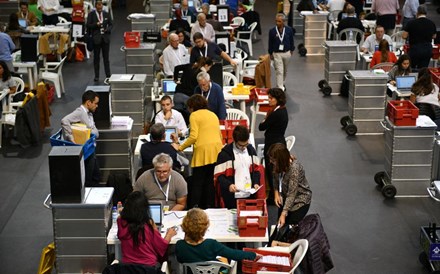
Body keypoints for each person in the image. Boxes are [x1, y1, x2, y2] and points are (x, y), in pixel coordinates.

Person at [171, 95, 223, 209]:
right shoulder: (213, 114)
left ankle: (195, 206)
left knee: (197, 182)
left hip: (203, 151)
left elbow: (194, 136)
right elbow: (219, 134)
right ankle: (209, 206)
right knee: (210, 181)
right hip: (216, 150)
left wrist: (180, 147)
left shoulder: (194, 115)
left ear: (192, 107)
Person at [117, 191, 177, 268]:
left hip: (128, 268)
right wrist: (169, 234)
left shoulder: (121, 222)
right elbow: (161, 246)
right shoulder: (148, 224)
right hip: (148, 268)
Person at [176, 208, 257, 263]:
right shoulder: (211, 244)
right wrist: (253, 255)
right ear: (205, 227)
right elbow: (234, 254)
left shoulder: (180, 245)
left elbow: (180, 260)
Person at [214, 125, 264, 209]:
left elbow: (256, 170)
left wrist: (255, 182)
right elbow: (219, 176)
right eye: (241, 145)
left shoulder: (251, 150)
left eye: (246, 144)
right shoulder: (224, 155)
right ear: (234, 141)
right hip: (231, 198)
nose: (244, 148)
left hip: (249, 194)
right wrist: (229, 185)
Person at [268, 143, 312, 226]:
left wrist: (283, 213)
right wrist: (276, 193)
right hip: (285, 197)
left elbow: (292, 194)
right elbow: (275, 177)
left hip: (300, 201)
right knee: (279, 225)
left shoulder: (294, 169)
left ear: (281, 160)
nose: (271, 162)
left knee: (288, 228)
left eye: (273, 160)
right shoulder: (278, 164)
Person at [259, 88, 288, 203]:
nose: (268, 100)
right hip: (277, 141)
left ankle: (272, 196)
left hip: (273, 145)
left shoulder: (276, 113)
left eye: (271, 98)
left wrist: (264, 120)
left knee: (272, 171)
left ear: (278, 99)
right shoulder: (281, 110)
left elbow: (262, 127)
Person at [402, 5, 437, 70]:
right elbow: (434, 36)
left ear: (417, 13)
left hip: (415, 49)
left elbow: (404, 36)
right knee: (423, 70)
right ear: (426, 13)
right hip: (427, 50)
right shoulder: (431, 23)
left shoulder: (411, 23)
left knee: (410, 69)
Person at [87, 0, 113, 82]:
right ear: (95, 6)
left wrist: (108, 29)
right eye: (98, 5)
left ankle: (108, 75)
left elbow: (111, 24)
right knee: (96, 58)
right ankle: (97, 76)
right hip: (96, 38)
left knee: (106, 58)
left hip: (105, 38)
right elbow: (88, 25)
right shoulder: (91, 14)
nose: (100, 6)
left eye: (101, 4)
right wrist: (96, 24)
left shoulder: (106, 13)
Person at [268, 13, 295, 90]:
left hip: (287, 53)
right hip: (277, 53)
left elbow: (291, 40)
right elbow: (270, 42)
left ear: (283, 21)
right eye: (276, 21)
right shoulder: (272, 31)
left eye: (279, 21)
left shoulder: (289, 30)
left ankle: (282, 83)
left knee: (285, 70)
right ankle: (280, 88)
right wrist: (270, 53)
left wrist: (292, 50)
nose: (277, 23)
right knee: (279, 70)